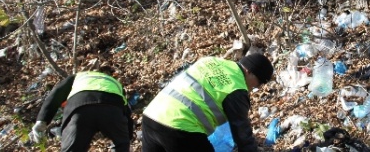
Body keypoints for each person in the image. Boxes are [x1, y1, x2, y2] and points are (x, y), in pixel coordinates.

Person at [141, 53, 274, 152]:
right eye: (258, 84)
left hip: (151, 116)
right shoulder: (236, 87)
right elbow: (242, 134)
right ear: (249, 72)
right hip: (180, 126)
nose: (254, 88)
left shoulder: (211, 61)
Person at [29, 63, 133, 152]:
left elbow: (56, 94)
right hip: (113, 109)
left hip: (79, 108)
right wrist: (127, 137)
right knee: (121, 146)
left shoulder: (79, 77)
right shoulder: (115, 83)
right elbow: (127, 112)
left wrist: (42, 121)